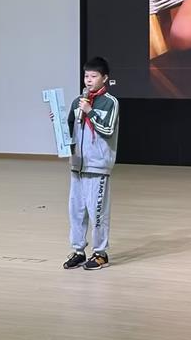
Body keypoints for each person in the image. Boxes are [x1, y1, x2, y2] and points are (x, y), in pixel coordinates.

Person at [59, 56, 119, 270]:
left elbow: (108, 130)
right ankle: (78, 251)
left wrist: (89, 112)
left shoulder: (110, 102)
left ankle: (100, 253)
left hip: (98, 166)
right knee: (76, 211)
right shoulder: (78, 101)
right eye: (86, 76)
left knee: (97, 212)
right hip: (77, 166)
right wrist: (57, 122)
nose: (89, 80)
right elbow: (69, 131)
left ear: (105, 78)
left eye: (94, 76)